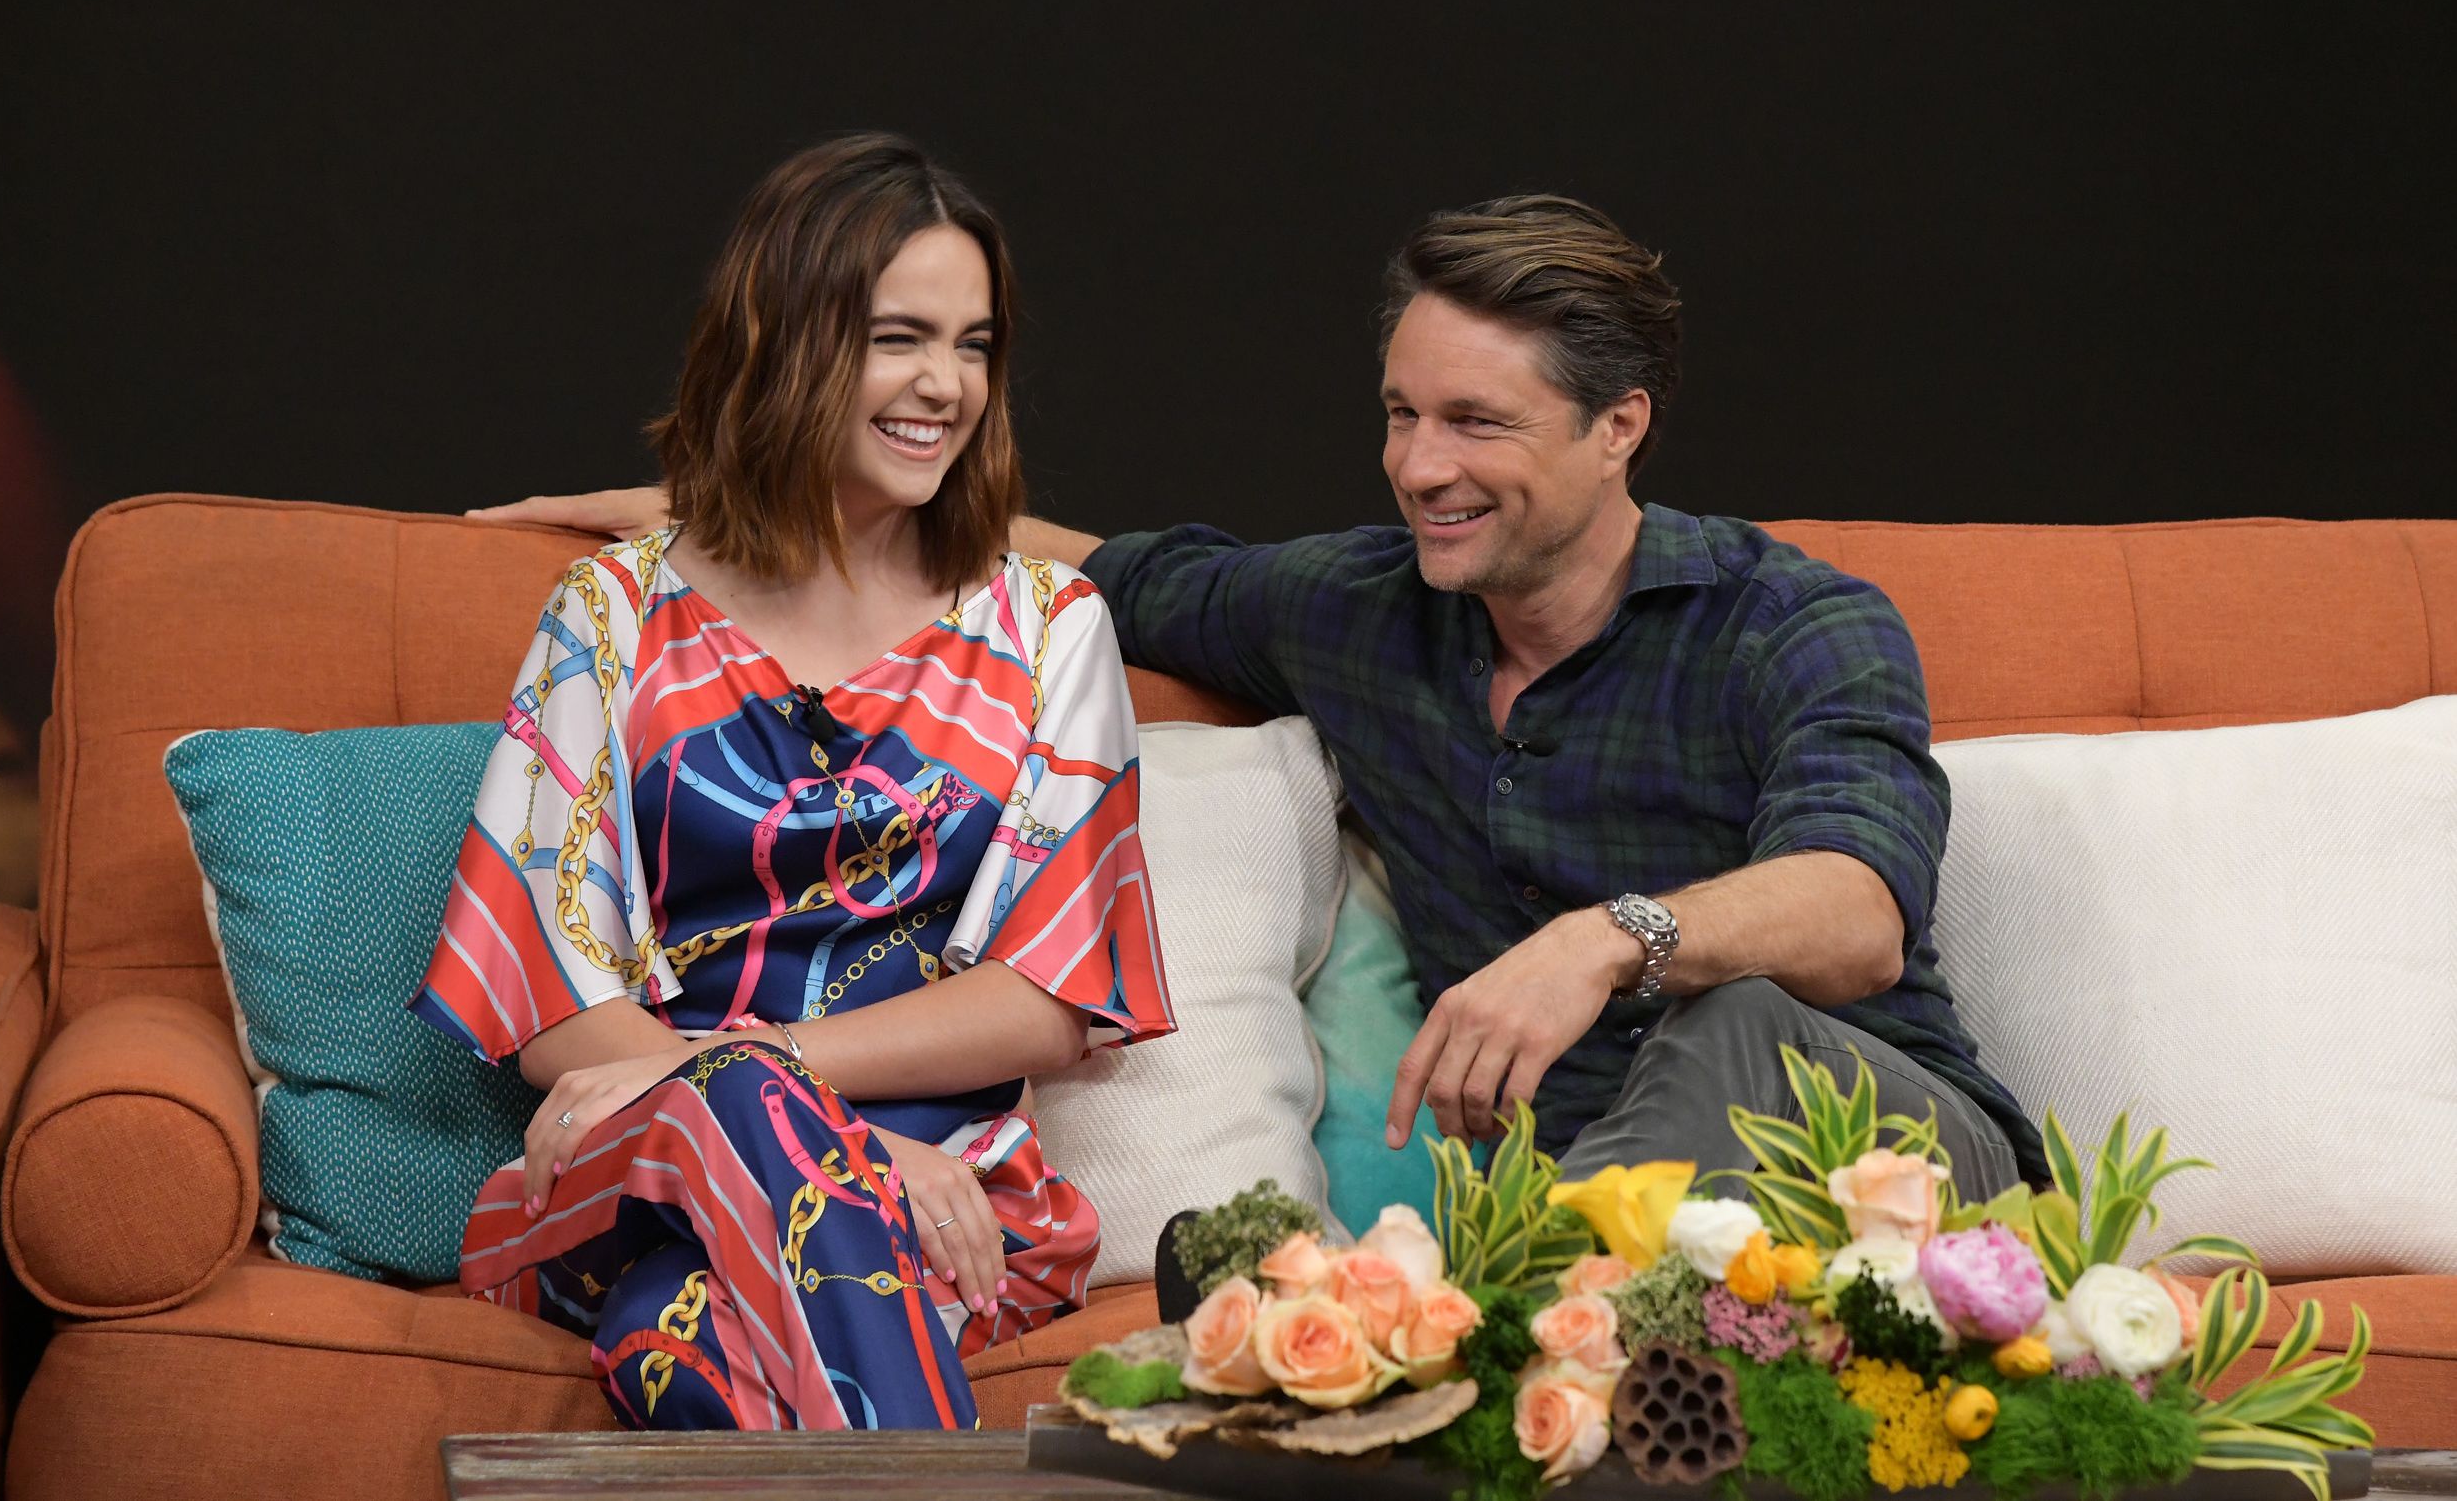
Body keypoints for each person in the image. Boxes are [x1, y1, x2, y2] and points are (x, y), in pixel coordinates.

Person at [477, 191, 2039, 1202]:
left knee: (1730, 1023)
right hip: (1592, 1215)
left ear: (1617, 425)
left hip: (1880, 1161)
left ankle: (1505, 1326)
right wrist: (741, 505)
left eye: (1474, 423)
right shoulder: (1357, 608)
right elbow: (1074, 559)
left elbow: (1856, 908)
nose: (1418, 465)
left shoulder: (1791, 623)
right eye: (1400, 414)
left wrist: (1597, 942)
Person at [419, 134, 1172, 1433]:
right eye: (898, 338)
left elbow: (1051, 996)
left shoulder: (1049, 628)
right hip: (635, 1177)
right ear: (782, 344)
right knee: (732, 1122)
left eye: (974, 345)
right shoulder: (613, 613)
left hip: (952, 1206)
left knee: (674, 1344)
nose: (945, 384)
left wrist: (766, 1077)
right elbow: (546, 991)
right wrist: (842, 1146)